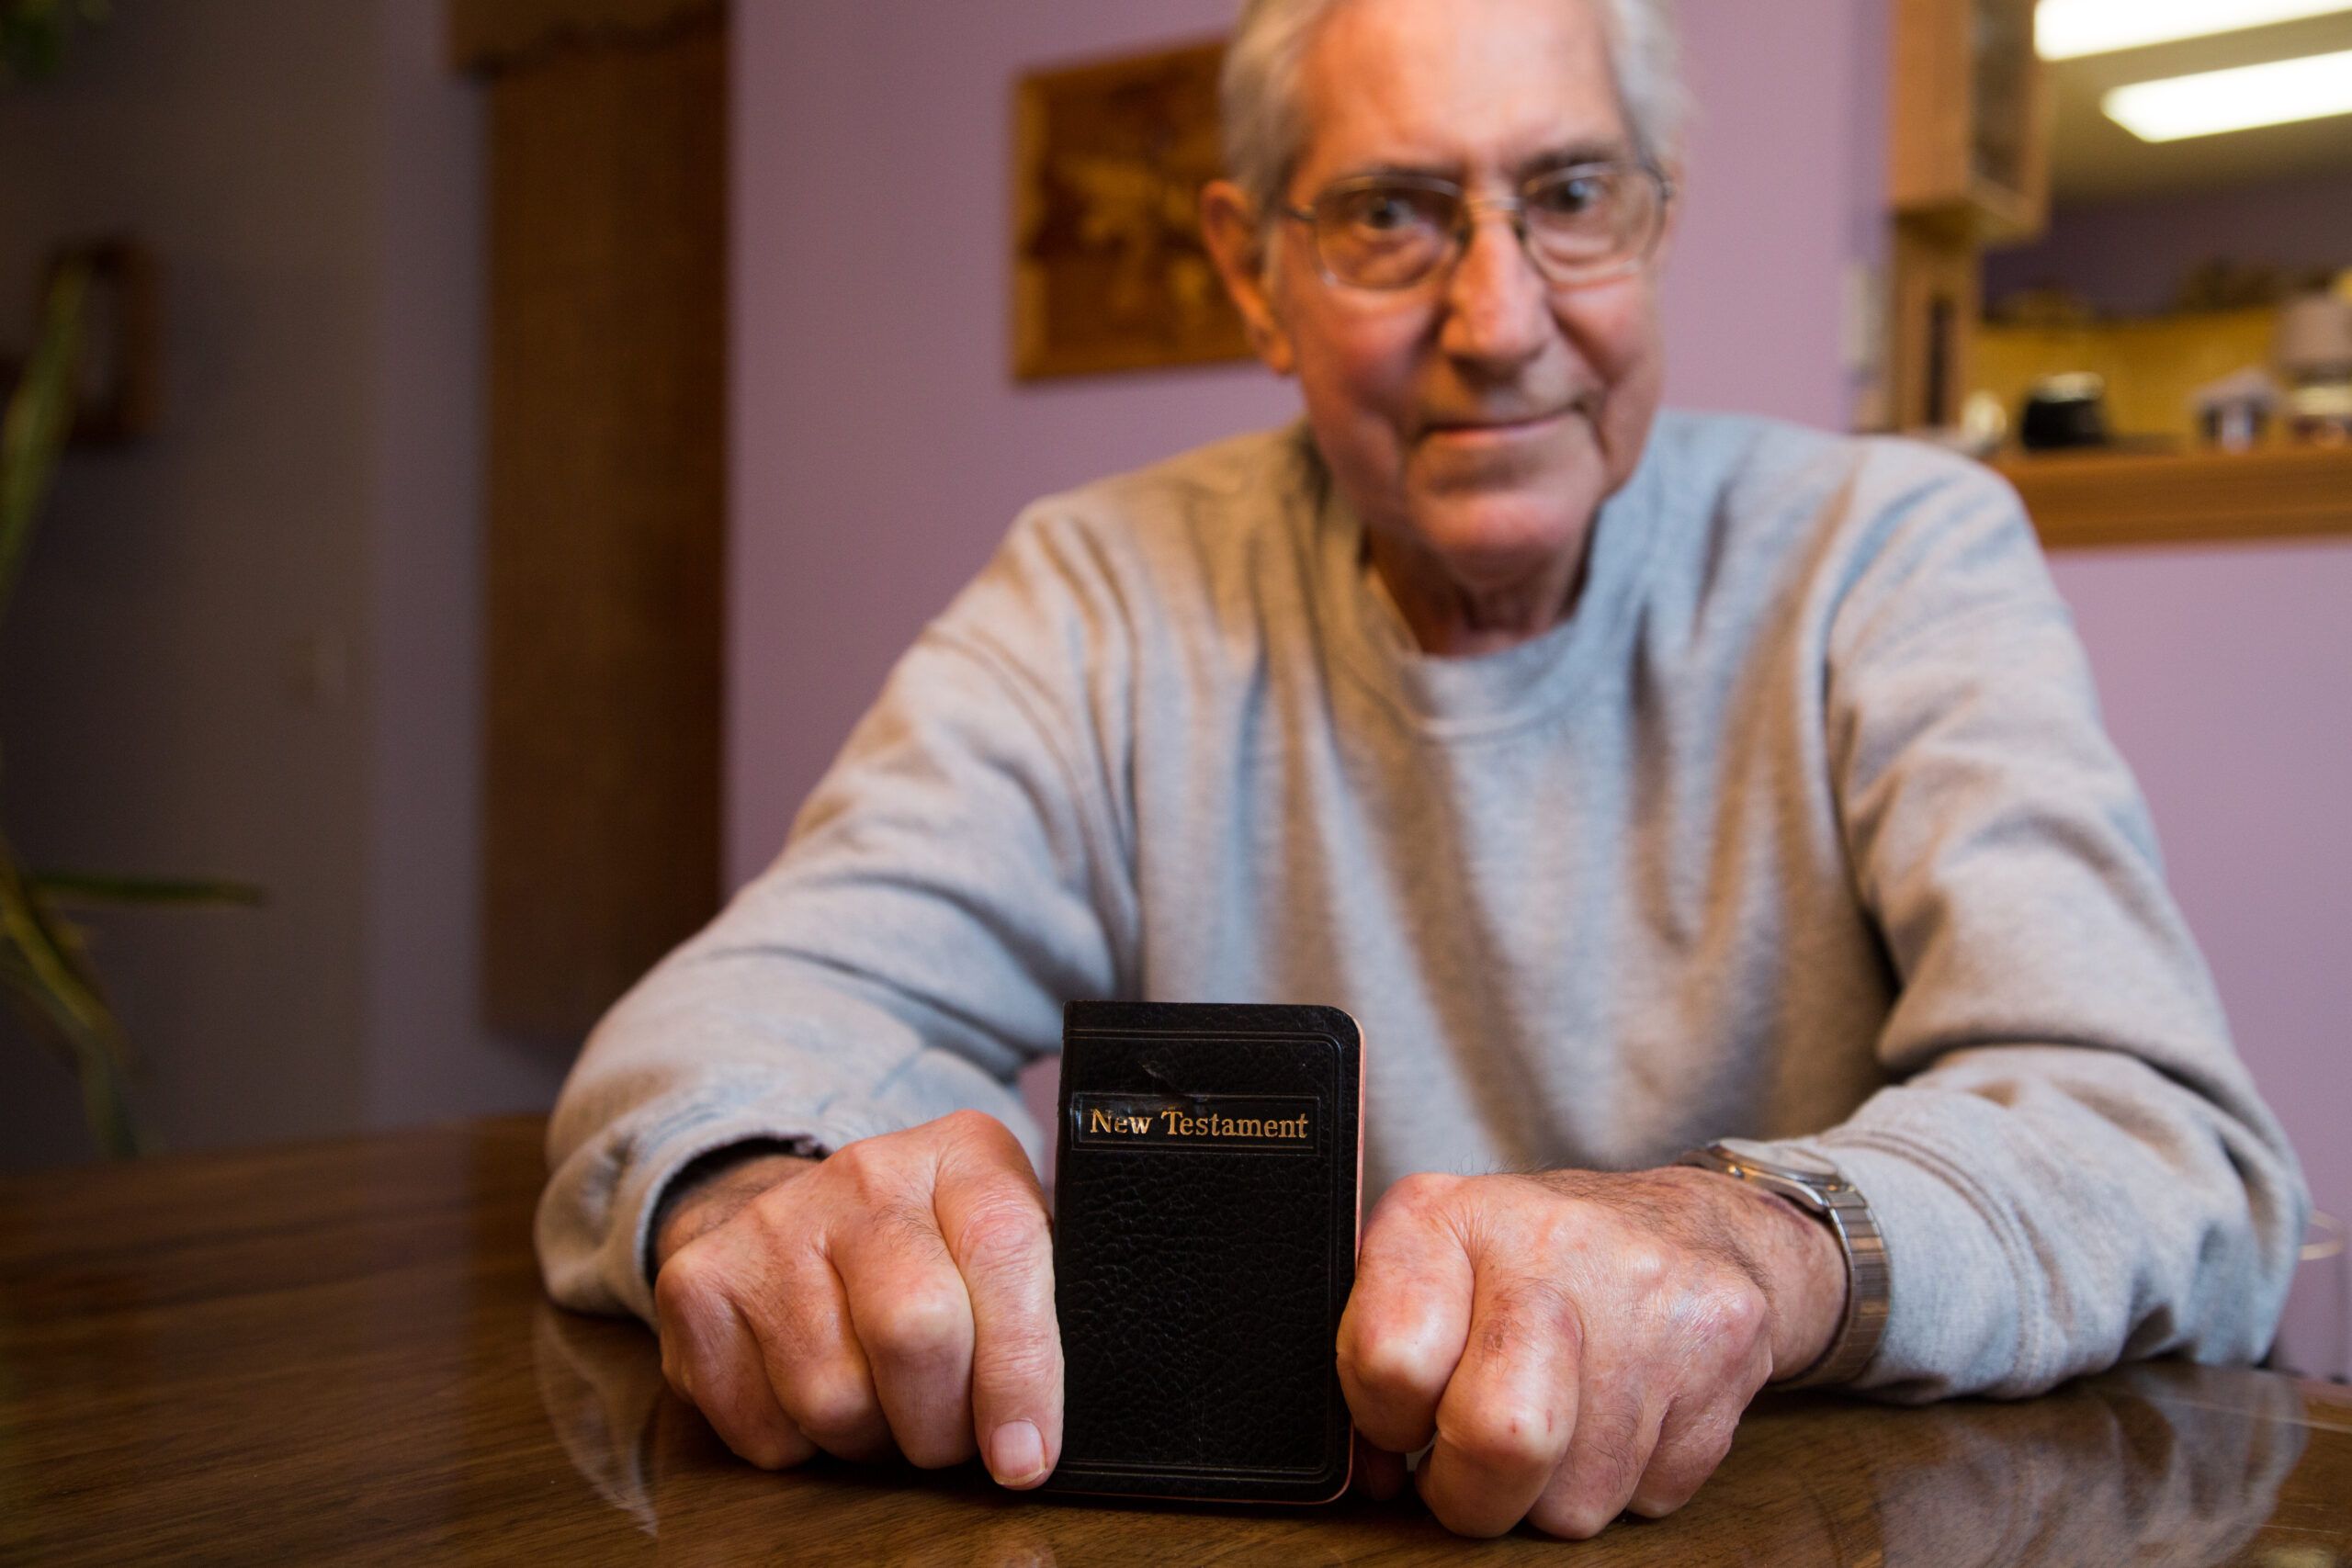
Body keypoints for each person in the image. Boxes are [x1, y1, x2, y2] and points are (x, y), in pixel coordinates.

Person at [535, 0, 2309, 1540]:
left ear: (1657, 221)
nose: (1500, 313)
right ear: (1254, 269)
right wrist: (775, 1200)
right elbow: (724, 1030)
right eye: (1392, 213)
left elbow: (2162, 1148)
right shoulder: (1101, 588)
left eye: (1570, 195)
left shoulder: (1895, 555)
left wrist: (1752, 1244)